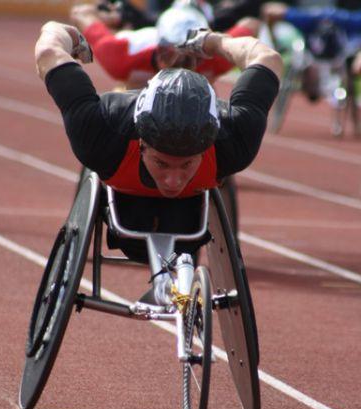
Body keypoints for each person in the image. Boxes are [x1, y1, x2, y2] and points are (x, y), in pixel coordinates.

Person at [34, 23, 282, 261]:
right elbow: (48, 50)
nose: (173, 181)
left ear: (207, 146)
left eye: (186, 164)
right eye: (162, 163)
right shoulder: (102, 133)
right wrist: (72, 36)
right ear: (141, 143)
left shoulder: (234, 138)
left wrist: (214, 42)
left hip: (188, 221)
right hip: (124, 212)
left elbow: (268, 57)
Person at [70, 2, 261, 87]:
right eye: (176, 55)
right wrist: (107, 14)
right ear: (160, 51)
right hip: (137, 89)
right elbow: (80, 12)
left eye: (194, 57)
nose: (184, 66)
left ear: (205, 49)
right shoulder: (122, 54)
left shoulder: (216, 55)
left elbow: (251, 24)